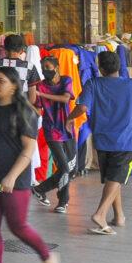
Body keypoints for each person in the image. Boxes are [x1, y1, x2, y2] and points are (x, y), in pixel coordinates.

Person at [0, 67, 60, 263]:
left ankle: (46, 256)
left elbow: (28, 149)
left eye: (1, 80)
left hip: (14, 180)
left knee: (18, 226)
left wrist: (11, 176)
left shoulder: (24, 111)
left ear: (13, 85)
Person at [77, 50, 132, 234]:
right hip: (125, 141)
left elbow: (82, 107)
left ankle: (119, 216)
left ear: (101, 69)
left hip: (102, 141)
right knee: (116, 178)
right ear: (119, 66)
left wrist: (70, 118)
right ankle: (100, 214)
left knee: (113, 178)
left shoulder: (92, 83)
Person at [32, 56, 82, 214]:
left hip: (67, 128)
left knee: (73, 168)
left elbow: (65, 98)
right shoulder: (40, 85)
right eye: (43, 67)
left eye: (48, 66)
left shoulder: (66, 80)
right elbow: (38, 111)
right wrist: (28, 103)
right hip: (51, 130)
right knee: (65, 168)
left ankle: (40, 189)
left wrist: (42, 95)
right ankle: (62, 202)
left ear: (57, 67)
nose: (45, 70)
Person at [0, 33, 41, 108]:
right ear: (22, 50)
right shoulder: (30, 67)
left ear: (4, 49)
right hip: (19, 113)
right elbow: (32, 98)